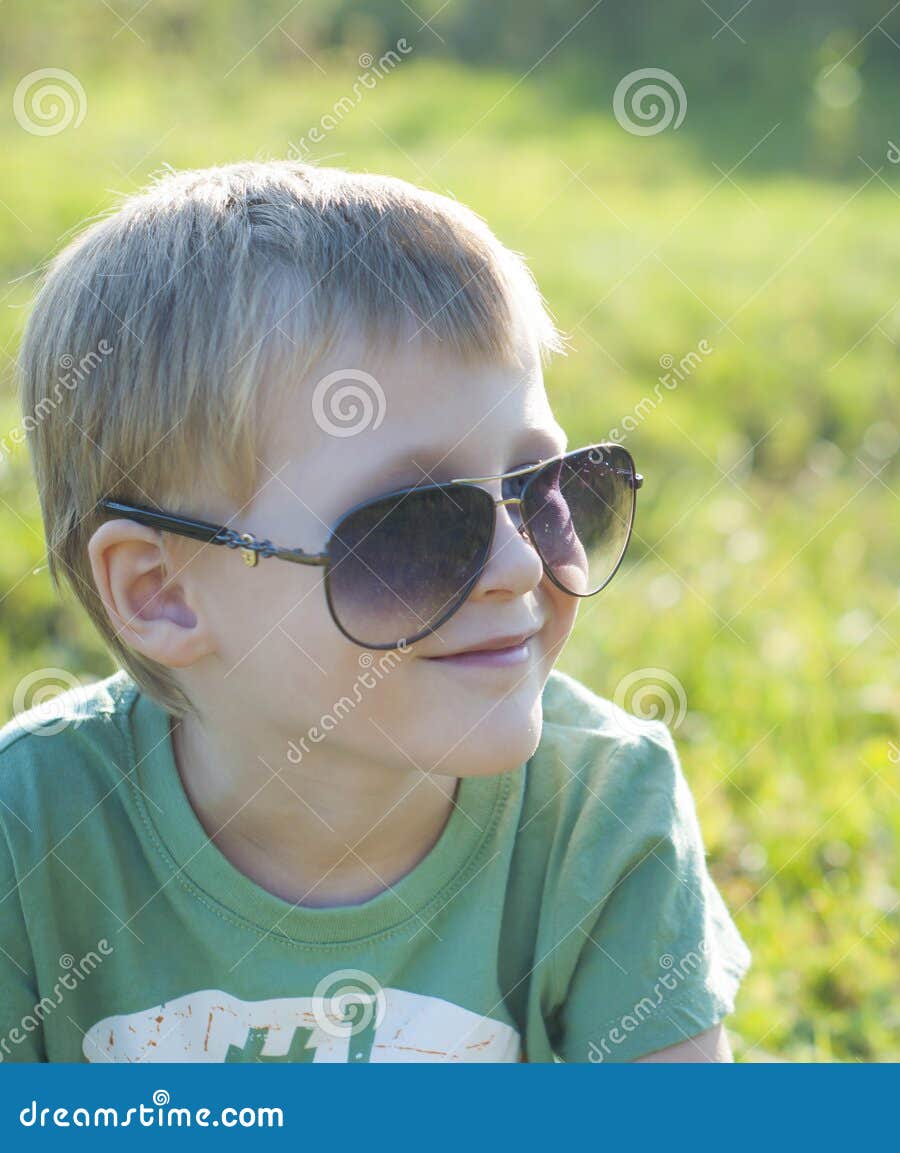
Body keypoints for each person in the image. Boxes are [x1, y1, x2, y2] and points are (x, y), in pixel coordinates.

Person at [0, 161, 748, 1062]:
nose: (515, 564)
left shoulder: (597, 811)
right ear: (159, 590)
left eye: (541, 489)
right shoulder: (33, 832)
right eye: (416, 525)